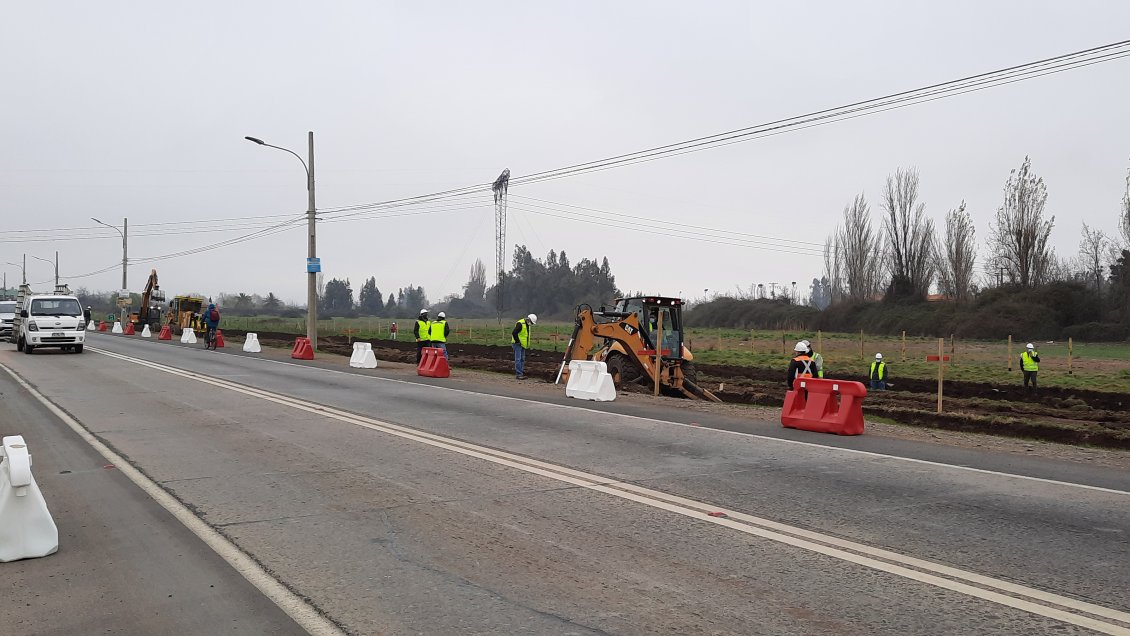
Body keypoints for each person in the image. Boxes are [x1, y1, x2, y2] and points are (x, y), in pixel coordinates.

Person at [512, 313, 537, 379]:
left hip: (523, 345)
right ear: (529, 320)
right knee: (518, 359)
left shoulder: (527, 325)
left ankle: (521, 373)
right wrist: (517, 341)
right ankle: (519, 374)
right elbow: (514, 333)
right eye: (532, 322)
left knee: (522, 359)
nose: (531, 324)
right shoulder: (520, 324)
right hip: (517, 344)